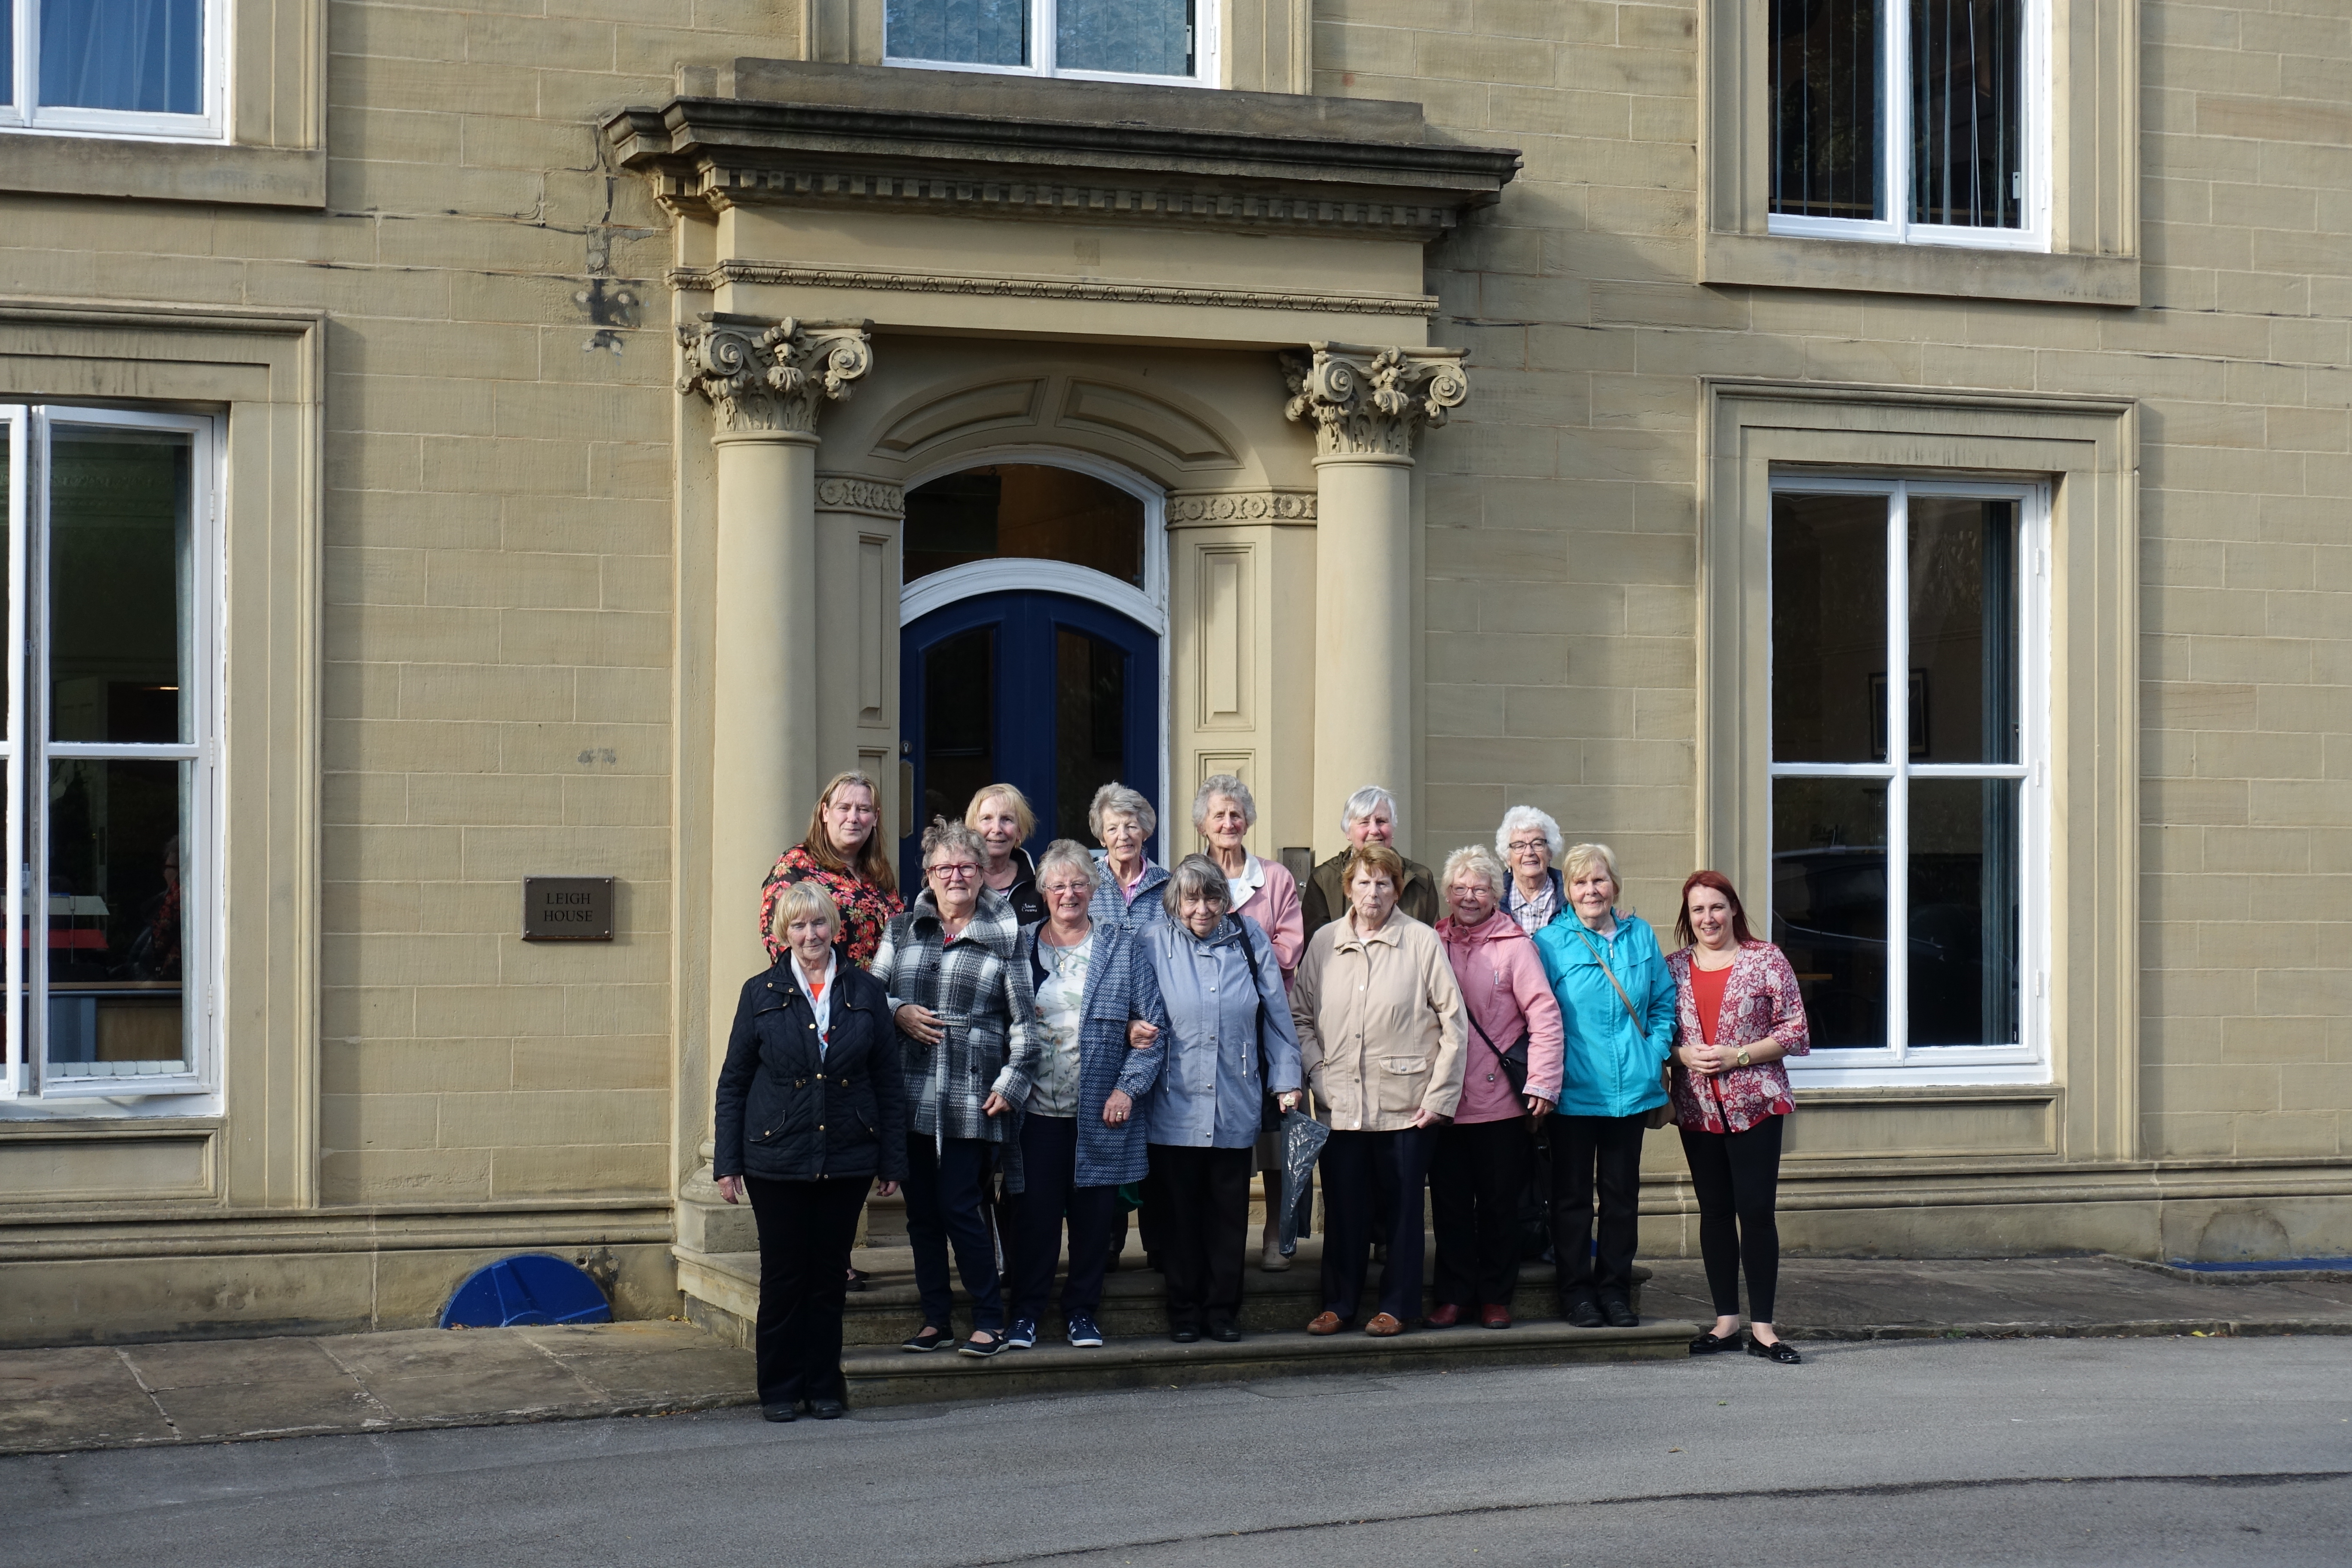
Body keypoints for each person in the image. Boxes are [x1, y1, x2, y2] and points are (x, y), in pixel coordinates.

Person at [713, 882, 907, 1421]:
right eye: (798, 925)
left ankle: (822, 1385)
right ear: (783, 933)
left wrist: (892, 1159)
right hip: (776, 1159)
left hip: (846, 1157)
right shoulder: (760, 993)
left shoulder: (864, 991)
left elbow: (888, 1082)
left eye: (818, 923)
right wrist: (727, 1162)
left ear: (835, 928)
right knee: (782, 1279)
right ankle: (778, 1389)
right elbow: (734, 1083)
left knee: (827, 1280)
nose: (810, 934)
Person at [872, 818, 1040, 1357]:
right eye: (945, 867)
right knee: (921, 1213)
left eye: (967, 867)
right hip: (911, 1091)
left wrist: (1012, 1084)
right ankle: (935, 1319)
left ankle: (990, 1317)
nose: (956, 876)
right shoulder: (902, 929)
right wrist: (899, 1012)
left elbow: (1027, 1025)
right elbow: (868, 995)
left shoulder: (1005, 931)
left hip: (973, 1094)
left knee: (959, 1206)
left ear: (982, 873)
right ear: (928, 874)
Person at [1292, 842, 1466, 1337]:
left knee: (1405, 1211)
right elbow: (1300, 1017)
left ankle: (1397, 1305)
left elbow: (1455, 1023)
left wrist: (1439, 1099)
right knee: (1344, 1209)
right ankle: (1339, 1304)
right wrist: (1318, 1074)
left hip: (1407, 1105)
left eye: (1384, 883)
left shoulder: (1421, 942)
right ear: (1348, 888)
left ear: (1397, 891)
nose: (1374, 892)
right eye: (1364, 883)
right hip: (1341, 1102)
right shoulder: (1324, 941)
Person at [1129, 854, 1303, 1342]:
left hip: (1234, 1100)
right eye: (1191, 898)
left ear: (1226, 901)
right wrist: (1128, 1027)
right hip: (1172, 1102)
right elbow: (1123, 1004)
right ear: (1174, 902)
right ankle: (1184, 1311)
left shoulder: (1249, 941)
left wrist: (1287, 1080)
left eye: (1212, 897)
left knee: (1228, 1216)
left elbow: (1277, 1020)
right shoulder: (1150, 942)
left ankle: (1223, 1311)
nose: (1202, 908)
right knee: (1179, 1216)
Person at [1007, 841, 1161, 1351]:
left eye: (1078, 885)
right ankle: (1026, 1313)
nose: (1068, 894)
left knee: (1095, 1221)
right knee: (1037, 1218)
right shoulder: (1021, 944)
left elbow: (1154, 1030)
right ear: (1043, 892)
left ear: (1095, 891)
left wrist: (1127, 1089)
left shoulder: (1122, 944)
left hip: (1101, 1110)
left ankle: (1082, 1313)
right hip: (1035, 1110)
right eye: (1058, 886)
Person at [1668, 870, 1810, 1365]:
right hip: (1698, 1108)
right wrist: (1682, 1056)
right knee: (1713, 1213)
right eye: (1698, 910)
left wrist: (1741, 1057)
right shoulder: (1673, 968)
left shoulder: (1766, 959)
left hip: (1757, 1105)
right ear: (1688, 919)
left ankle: (1764, 1329)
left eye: (1717, 907)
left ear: (1733, 909)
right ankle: (1726, 1321)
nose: (1708, 918)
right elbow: (1657, 1030)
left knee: (1755, 1212)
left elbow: (1795, 1031)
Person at [1533, 842, 1675, 1329]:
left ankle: (1615, 1292)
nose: (1591, 890)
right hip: (1574, 1092)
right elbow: (1538, 1015)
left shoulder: (1641, 938)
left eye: (1599, 880)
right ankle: (1577, 1295)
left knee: (1621, 1199)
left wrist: (1654, 1051)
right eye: (1580, 882)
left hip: (1630, 1093)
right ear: (1567, 891)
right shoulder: (1550, 943)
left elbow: (1662, 1000)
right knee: (1571, 1201)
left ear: (1615, 885)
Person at [1430, 845, 1563, 1329]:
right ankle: (1454, 1294)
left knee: (1498, 1205)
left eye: (1480, 888)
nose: (1469, 896)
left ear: (1496, 894)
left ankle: (1495, 1296)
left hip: (1500, 1101)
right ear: (1448, 893)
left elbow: (1544, 1015)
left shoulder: (1515, 945)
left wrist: (1544, 1081)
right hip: (1442, 1099)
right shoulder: (1432, 942)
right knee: (1449, 1206)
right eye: (1461, 888)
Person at [1194, 773, 1307, 1272]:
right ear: (1203, 823)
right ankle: (1218, 1236)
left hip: (1267, 1020)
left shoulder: (1275, 878)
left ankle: (1277, 1229)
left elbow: (1288, 949)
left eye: (1237, 813)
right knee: (1219, 1134)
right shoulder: (1192, 875)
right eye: (1219, 814)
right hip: (1210, 1023)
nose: (1228, 822)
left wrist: (1237, 959)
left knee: (1276, 1132)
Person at [759, 771, 904, 970]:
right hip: (820, 995)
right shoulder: (796, 865)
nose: (853, 818)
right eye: (844, 808)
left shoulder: (878, 873)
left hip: (877, 997)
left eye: (863, 809)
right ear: (825, 812)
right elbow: (778, 938)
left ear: (875, 818)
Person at [1301, 785, 1440, 936]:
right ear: (1348, 831)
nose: (1374, 830)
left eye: (1381, 821)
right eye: (1364, 822)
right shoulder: (1323, 879)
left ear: (1393, 828)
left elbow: (1432, 941)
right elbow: (1315, 947)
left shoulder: (1421, 878)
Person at [1088, 782, 1168, 931]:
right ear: (1102, 838)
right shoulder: (1087, 882)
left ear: (1144, 832)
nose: (1123, 836)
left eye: (1131, 827)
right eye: (1112, 829)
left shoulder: (1167, 885)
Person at [968, 783, 1046, 926]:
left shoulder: (1040, 886)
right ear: (973, 829)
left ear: (1020, 832)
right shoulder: (960, 880)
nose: (997, 829)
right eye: (987, 819)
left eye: (1007, 819)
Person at [1495, 805, 1566, 937]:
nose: (1529, 852)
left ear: (1550, 852)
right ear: (1508, 857)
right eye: (1519, 846)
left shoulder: (1572, 895)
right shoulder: (1492, 900)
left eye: (1538, 844)